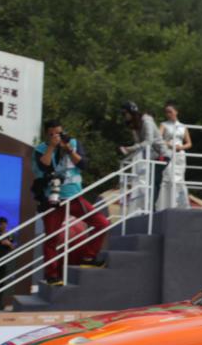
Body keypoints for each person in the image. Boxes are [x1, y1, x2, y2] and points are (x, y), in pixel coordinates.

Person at [34, 119, 109, 286]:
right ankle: (52, 275)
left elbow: (83, 164)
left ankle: (89, 257)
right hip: (52, 199)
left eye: (59, 133)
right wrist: (51, 147)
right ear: (47, 134)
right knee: (51, 238)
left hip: (74, 196)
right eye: (52, 134)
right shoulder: (40, 149)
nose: (57, 136)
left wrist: (68, 149)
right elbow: (43, 167)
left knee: (102, 223)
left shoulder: (73, 143)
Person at [120, 101, 164, 213]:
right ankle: (150, 209)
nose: (124, 116)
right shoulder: (136, 124)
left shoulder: (147, 121)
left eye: (125, 113)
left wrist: (129, 149)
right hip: (151, 157)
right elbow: (138, 143)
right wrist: (133, 130)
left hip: (161, 155)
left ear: (131, 112)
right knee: (149, 183)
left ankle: (152, 210)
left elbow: (148, 141)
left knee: (154, 183)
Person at [157, 101, 192, 211]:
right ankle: (165, 205)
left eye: (170, 112)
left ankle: (180, 205)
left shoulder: (183, 126)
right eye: (166, 112)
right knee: (168, 178)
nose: (168, 114)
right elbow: (158, 139)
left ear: (176, 112)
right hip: (168, 153)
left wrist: (181, 147)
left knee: (179, 179)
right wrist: (169, 145)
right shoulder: (163, 124)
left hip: (180, 155)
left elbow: (189, 143)